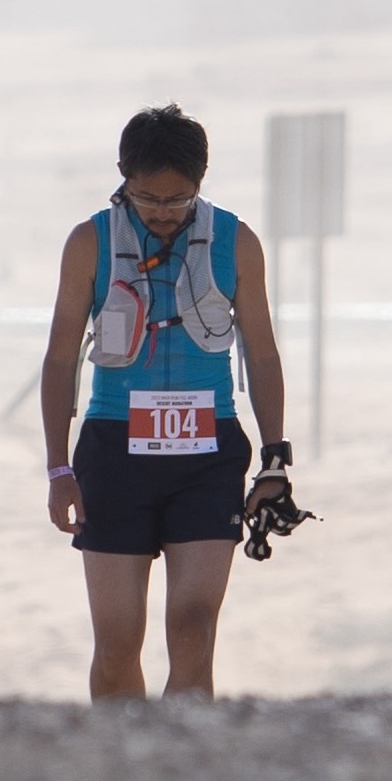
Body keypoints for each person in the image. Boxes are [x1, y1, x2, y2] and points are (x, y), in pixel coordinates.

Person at [39, 104, 295, 700]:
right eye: (146, 198)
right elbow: (60, 358)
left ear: (200, 183)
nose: (160, 212)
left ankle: (184, 750)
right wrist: (58, 468)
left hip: (208, 456)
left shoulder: (237, 242)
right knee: (117, 643)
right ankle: (124, 750)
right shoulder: (90, 242)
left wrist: (275, 459)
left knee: (194, 627)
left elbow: (261, 353)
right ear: (123, 178)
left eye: (177, 200)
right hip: (114, 453)